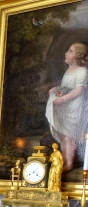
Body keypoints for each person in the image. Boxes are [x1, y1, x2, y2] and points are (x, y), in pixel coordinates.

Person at [45, 42, 88, 173]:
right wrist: (56, 89)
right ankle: (66, 161)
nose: (66, 53)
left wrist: (62, 98)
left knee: (69, 136)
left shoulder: (82, 71)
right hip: (65, 108)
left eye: (70, 51)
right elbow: (66, 87)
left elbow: (78, 91)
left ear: (78, 56)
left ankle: (69, 163)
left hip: (73, 109)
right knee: (64, 136)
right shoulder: (69, 70)